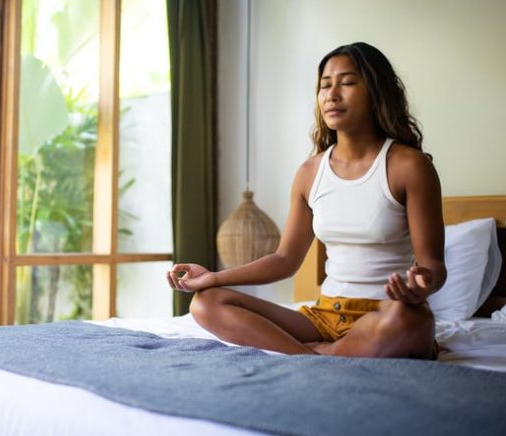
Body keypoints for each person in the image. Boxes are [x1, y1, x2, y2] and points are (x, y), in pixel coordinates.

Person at [166, 42, 445, 359]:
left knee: (414, 319)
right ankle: (317, 357)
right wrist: (213, 277)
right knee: (206, 302)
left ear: (376, 92)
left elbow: (432, 264)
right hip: (323, 315)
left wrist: (421, 284)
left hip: (387, 313)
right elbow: (285, 259)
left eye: (348, 83)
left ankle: (316, 354)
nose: (332, 94)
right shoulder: (310, 173)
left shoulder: (409, 166)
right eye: (325, 85)